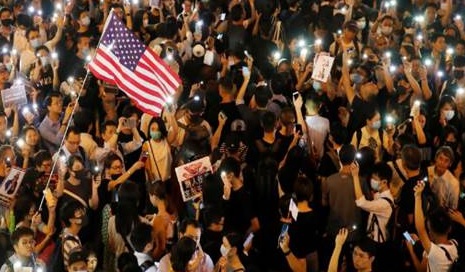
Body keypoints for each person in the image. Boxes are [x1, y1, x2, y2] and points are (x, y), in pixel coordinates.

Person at [406, 182, 458, 271]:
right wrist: (419, 240)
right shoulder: (454, 244)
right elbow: (422, 231)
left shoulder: (435, 254)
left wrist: (411, 250)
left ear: (430, 232)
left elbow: (420, 228)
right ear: (449, 228)